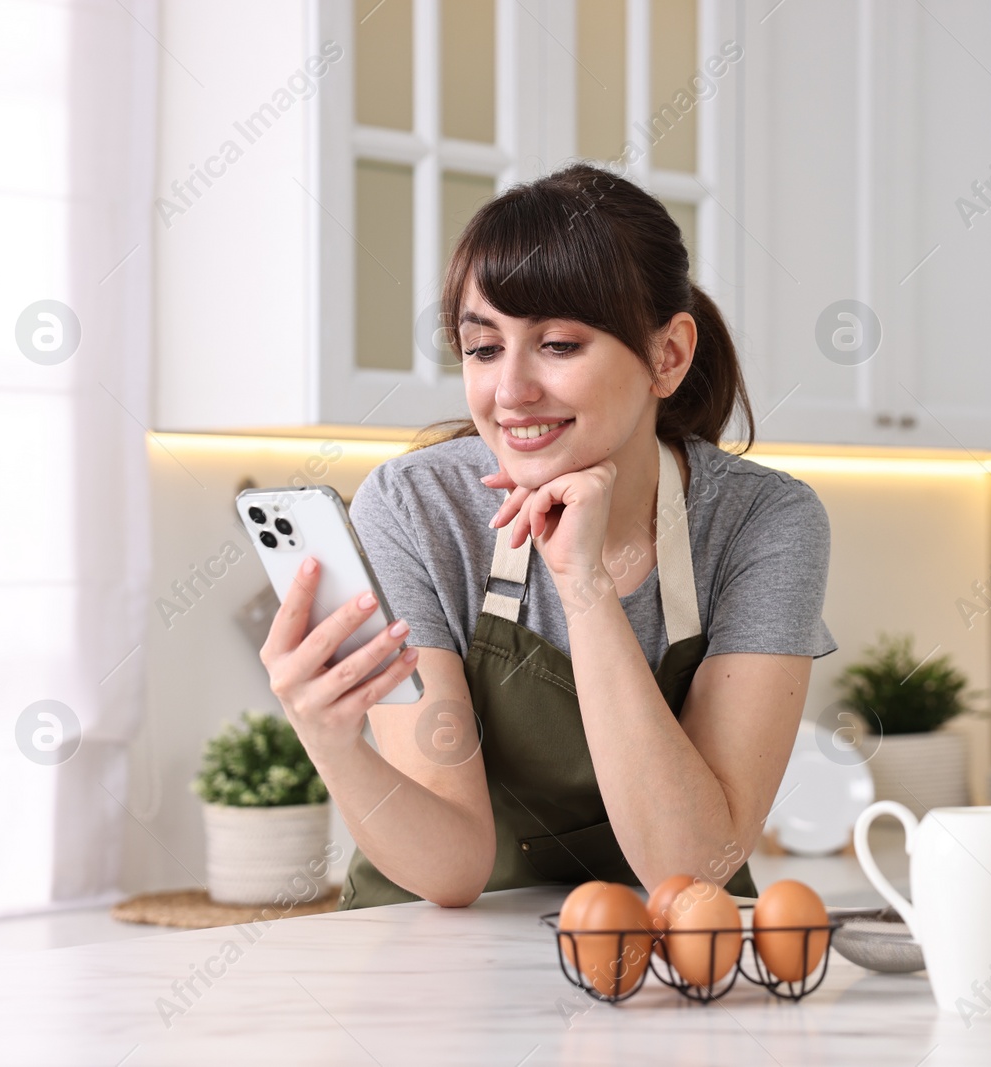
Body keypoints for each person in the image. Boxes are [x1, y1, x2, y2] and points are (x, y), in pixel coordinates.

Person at [259, 162, 837, 908]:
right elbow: (453, 867)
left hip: (671, 959)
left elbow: (694, 865)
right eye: (484, 347)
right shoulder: (417, 509)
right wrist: (330, 740)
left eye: (559, 344)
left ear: (669, 355)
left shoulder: (763, 524)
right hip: (440, 962)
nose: (510, 391)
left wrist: (585, 583)